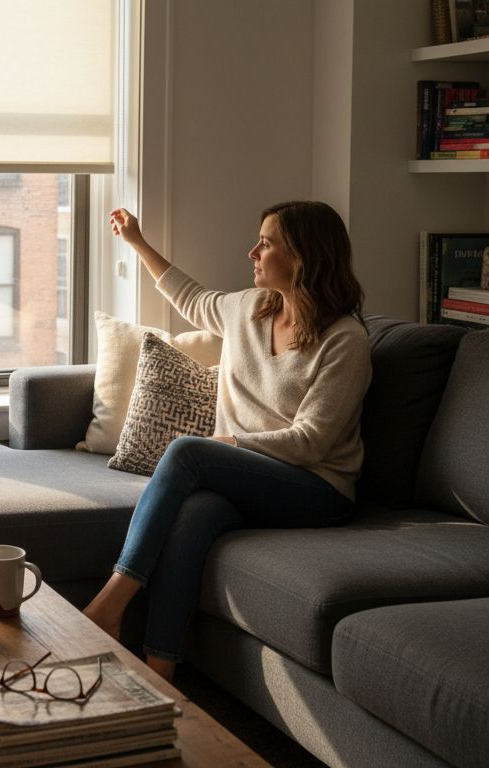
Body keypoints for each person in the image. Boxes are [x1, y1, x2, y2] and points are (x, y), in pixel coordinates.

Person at [83, 201, 370, 682]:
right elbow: (188, 295)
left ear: (301, 256)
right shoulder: (247, 309)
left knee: (188, 451)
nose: (252, 251)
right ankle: (161, 673)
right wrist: (136, 242)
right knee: (196, 515)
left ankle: (109, 604)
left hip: (317, 490)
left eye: (267, 242)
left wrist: (232, 445)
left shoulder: (345, 340)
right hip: (254, 481)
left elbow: (313, 442)